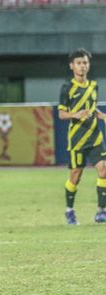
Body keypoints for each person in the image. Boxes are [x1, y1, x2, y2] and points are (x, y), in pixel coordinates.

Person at [58, 48, 106, 225]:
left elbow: (92, 108)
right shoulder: (67, 88)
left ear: (88, 65)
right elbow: (62, 115)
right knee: (76, 176)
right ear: (72, 66)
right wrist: (75, 114)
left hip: (95, 137)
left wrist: (101, 116)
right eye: (79, 63)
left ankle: (101, 211)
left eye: (85, 62)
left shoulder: (94, 86)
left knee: (104, 169)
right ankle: (69, 210)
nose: (82, 66)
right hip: (77, 139)